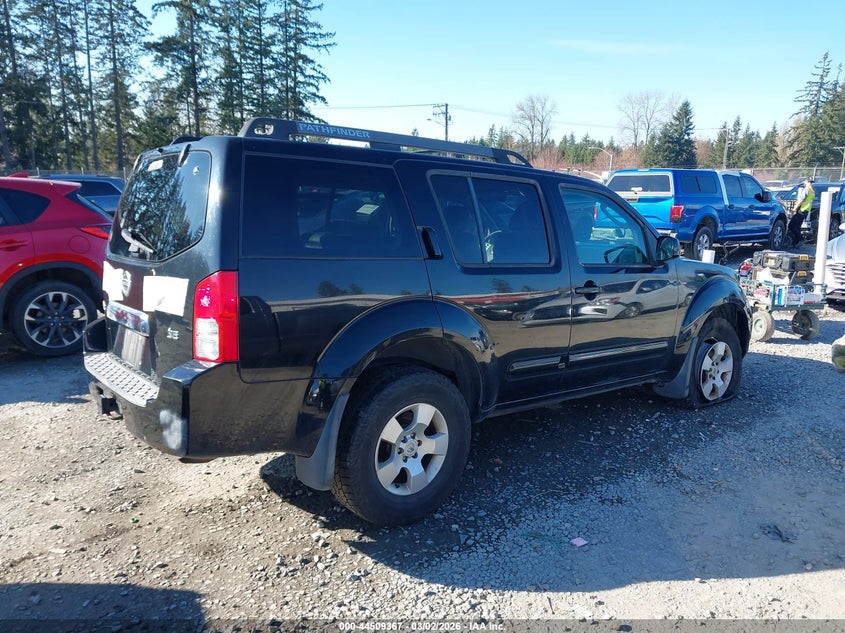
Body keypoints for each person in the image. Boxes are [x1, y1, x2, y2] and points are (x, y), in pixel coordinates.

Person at [787, 178, 815, 247]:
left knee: (791, 225)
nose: (803, 182)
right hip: (806, 210)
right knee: (797, 226)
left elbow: (801, 200)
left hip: (801, 210)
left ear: (806, 181)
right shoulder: (812, 191)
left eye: (804, 181)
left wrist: (794, 209)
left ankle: (800, 239)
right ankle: (796, 243)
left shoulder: (806, 189)